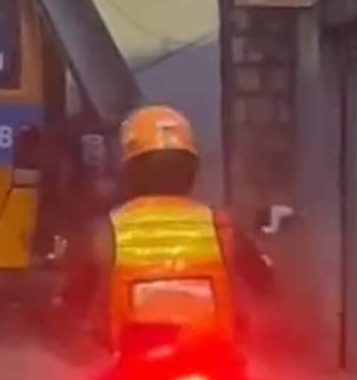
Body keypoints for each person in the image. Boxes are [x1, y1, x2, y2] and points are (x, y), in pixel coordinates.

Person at [60, 104, 274, 354]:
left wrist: (75, 311)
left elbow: (74, 298)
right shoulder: (220, 225)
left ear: (131, 171)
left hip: (135, 361)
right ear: (190, 170)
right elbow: (263, 281)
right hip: (212, 357)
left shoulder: (107, 231)